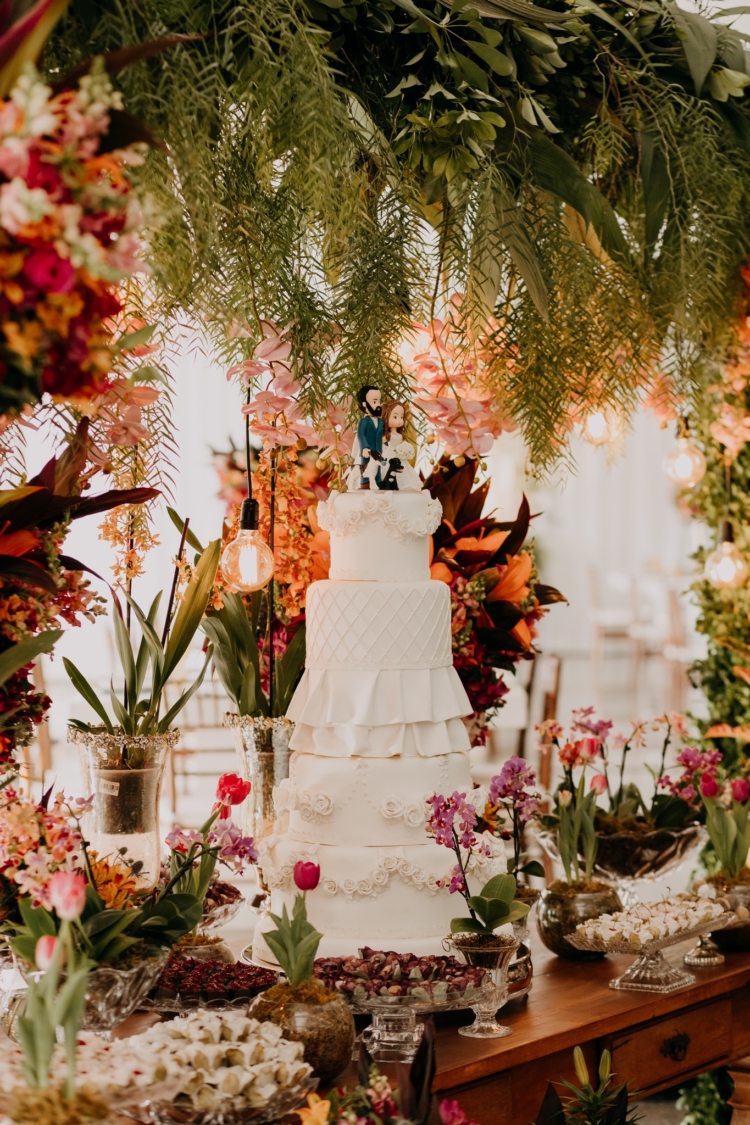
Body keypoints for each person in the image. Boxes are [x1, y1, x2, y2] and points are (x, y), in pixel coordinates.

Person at [379, 400, 422, 491]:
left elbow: (403, 443)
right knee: (388, 468)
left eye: (401, 417)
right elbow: (379, 443)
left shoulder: (400, 435)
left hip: (399, 455)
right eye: (395, 417)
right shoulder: (388, 435)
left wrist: (406, 449)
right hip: (389, 454)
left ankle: (403, 484)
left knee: (404, 469)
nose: (399, 420)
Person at [354, 384, 383, 490]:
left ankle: (378, 481)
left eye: (379, 401)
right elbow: (360, 435)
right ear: (364, 404)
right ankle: (365, 482)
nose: (378, 405)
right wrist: (364, 447)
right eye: (375, 402)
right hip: (367, 451)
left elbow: (381, 433)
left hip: (378, 450)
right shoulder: (364, 421)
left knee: (377, 467)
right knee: (365, 467)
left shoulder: (380, 421)